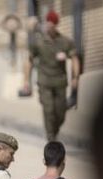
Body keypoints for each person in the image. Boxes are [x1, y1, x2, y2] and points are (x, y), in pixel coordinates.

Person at [21, 10, 80, 142]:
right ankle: (51, 137)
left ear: (56, 25)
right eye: (48, 23)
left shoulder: (65, 42)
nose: (50, 26)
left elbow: (74, 59)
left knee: (61, 112)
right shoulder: (39, 42)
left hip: (60, 82)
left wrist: (76, 77)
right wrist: (26, 81)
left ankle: (54, 131)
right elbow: (29, 61)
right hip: (44, 82)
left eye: (52, 23)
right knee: (48, 109)